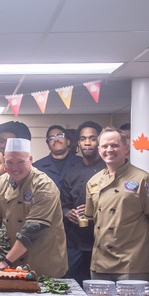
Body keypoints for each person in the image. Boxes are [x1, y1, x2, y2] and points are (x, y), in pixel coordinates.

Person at [84, 128, 149, 282]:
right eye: (105, 146)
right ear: (99, 150)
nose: (109, 150)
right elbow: (92, 219)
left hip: (133, 263)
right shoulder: (93, 182)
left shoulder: (143, 179)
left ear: (126, 148)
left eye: (115, 145)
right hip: (100, 263)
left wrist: (139, 246)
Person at [0, 138, 68, 277]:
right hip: (16, 263)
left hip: (46, 263)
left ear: (30, 159)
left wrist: (5, 263)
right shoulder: (2, 181)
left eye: (20, 162)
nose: (14, 168)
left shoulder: (44, 186)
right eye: (9, 162)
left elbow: (31, 231)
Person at [58, 121, 105, 284]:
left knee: (101, 290)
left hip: (102, 243)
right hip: (75, 242)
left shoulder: (109, 170)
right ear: (78, 143)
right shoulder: (72, 172)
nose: (87, 143)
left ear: (99, 141)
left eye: (92, 138)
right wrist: (67, 212)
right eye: (83, 139)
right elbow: (62, 203)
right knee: (71, 286)